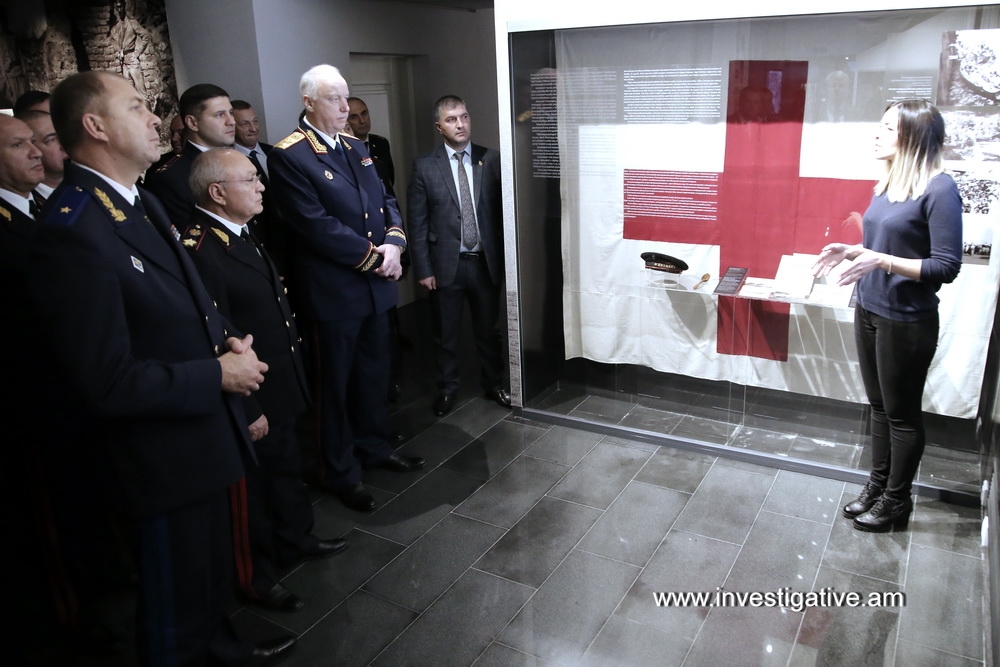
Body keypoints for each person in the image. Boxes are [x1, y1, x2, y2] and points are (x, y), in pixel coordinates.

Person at [31, 71, 294, 665]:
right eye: (136, 107)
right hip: (159, 454)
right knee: (175, 602)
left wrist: (227, 340)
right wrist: (218, 375)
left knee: (206, 578)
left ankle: (220, 647)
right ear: (96, 126)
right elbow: (104, 380)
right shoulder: (73, 230)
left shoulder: (139, 200)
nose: (156, 119)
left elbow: (187, 304)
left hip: (198, 434)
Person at [182, 148, 348, 612]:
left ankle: (295, 538)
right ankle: (256, 575)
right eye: (251, 180)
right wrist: (248, 408)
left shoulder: (241, 231)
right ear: (218, 192)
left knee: (285, 469)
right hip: (250, 393)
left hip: (277, 379)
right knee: (253, 491)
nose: (261, 188)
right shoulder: (201, 248)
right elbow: (215, 337)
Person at [268, 64, 424, 512]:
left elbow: (386, 201)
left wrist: (395, 244)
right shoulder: (291, 155)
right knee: (333, 387)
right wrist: (377, 258)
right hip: (334, 293)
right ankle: (337, 470)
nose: (344, 107)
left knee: (373, 375)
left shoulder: (357, 147)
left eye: (345, 97)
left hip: (375, 288)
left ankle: (373, 447)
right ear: (308, 102)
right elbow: (314, 226)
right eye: (333, 99)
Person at [812, 99, 962, 532]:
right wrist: (854, 251)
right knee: (879, 408)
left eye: (888, 128)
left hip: (907, 319)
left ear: (914, 136)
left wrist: (881, 260)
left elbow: (945, 267)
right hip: (870, 306)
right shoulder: (889, 184)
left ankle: (897, 500)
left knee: (901, 414)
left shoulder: (940, 189)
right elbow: (887, 246)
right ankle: (877, 487)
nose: (877, 134)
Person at [407, 95, 510, 416]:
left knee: (489, 332)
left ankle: (494, 384)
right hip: (445, 265)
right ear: (440, 126)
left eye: (464, 116)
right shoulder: (425, 165)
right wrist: (423, 268)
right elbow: (417, 222)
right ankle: (448, 389)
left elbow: (504, 216)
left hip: (484, 264)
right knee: (446, 335)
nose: (461, 124)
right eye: (452, 119)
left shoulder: (491, 160)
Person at [144, 83, 235, 227]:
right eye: (219, 115)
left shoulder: (240, 161)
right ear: (192, 123)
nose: (231, 122)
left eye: (231, 113)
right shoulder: (170, 178)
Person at [347, 96, 395, 196]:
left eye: (364, 113)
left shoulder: (380, 143)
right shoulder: (342, 147)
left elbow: (389, 179)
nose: (362, 121)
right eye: (354, 117)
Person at [16, 109, 66, 202]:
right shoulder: (27, 202)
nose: (65, 144)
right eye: (51, 140)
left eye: (63, 135)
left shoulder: (87, 182)